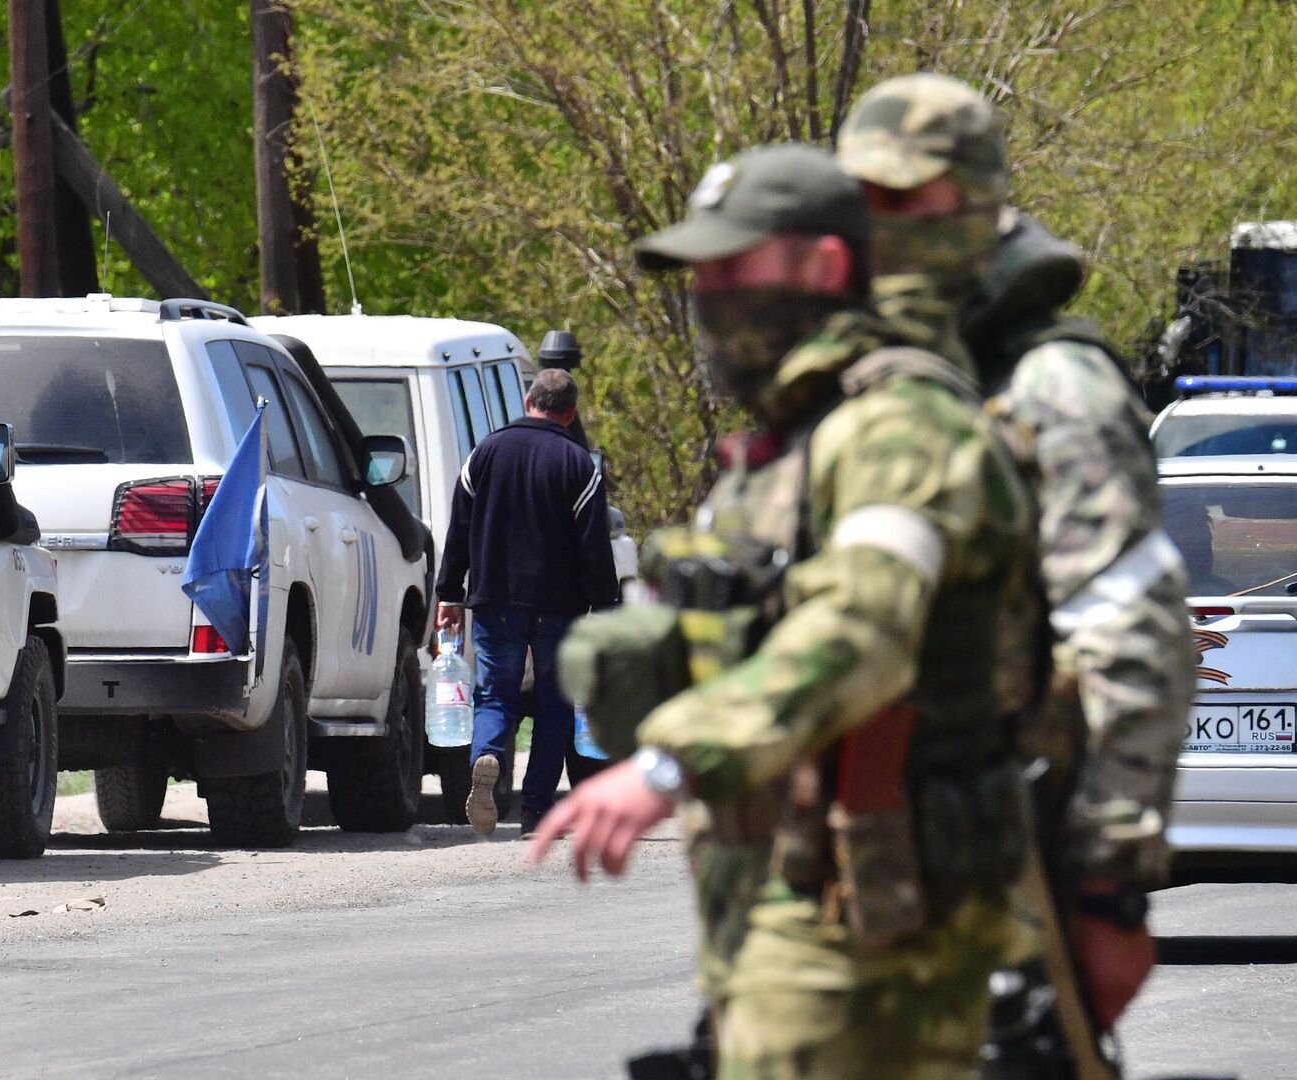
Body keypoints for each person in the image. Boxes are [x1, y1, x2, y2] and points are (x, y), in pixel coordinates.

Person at [530, 142, 1041, 1079]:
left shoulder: (900, 428)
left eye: (736, 265)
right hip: (772, 912)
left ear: (827, 266)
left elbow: (865, 630)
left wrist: (668, 761)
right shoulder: (779, 452)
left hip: (876, 925)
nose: (711, 294)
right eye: (701, 273)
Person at [836, 73, 1195, 1036]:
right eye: (868, 201)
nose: (886, 227)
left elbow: (1130, 629)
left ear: (982, 200)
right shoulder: (869, 378)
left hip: (1003, 862)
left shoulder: (1049, 384)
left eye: (912, 199)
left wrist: (1112, 889)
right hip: (857, 860)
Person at [435, 367, 620, 837]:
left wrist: (448, 594)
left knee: (495, 694)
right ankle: (537, 810)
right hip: (561, 605)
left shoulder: (485, 454)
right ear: (570, 412)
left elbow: (458, 529)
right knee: (556, 702)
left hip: (495, 599)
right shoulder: (579, 464)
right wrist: (605, 606)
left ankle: (488, 756)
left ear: (527, 400)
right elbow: (594, 545)